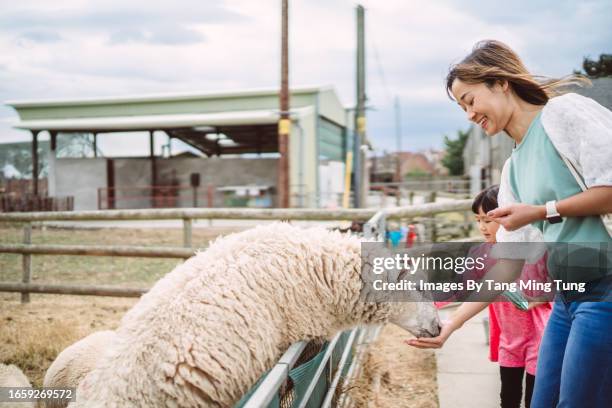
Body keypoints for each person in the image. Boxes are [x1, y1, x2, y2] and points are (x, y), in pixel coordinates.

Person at [407, 40, 612, 407]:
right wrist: (451, 325)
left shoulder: (564, 114)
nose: (469, 114)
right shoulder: (513, 169)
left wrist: (541, 211)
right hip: (567, 297)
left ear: (500, 83)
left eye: (470, 100)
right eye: (462, 108)